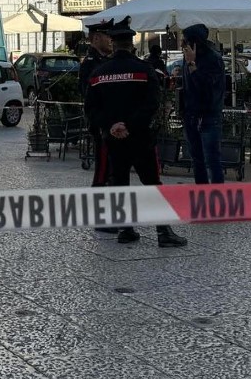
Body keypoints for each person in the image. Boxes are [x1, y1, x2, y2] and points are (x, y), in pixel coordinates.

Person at [84, 19, 187, 248]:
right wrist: (129, 125)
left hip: (113, 139)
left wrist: (112, 125)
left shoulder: (99, 72)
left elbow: (90, 108)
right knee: (152, 183)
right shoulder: (144, 69)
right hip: (140, 137)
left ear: (113, 43)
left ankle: (126, 229)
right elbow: (152, 103)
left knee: (119, 182)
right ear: (131, 44)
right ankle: (163, 231)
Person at [180, 24, 226, 185]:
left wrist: (192, 65)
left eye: (185, 41)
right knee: (197, 159)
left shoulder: (212, 59)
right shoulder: (187, 58)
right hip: (191, 115)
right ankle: (202, 192)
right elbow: (188, 87)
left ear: (194, 43)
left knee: (212, 159)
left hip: (208, 116)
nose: (182, 44)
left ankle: (216, 194)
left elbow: (207, 89)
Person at [78, 20, 116, 194]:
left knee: (111, 165)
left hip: (110, 120)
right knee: (102, 166)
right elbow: (88, 94)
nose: (111, 40)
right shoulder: (91, 63)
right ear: (96, 38)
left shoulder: (105, 60)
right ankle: (99, 194)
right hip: (101, 121)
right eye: (108, 36)